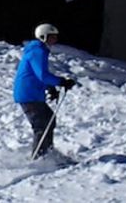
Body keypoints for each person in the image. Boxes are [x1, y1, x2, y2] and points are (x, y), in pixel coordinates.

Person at [13, 23, 78, 160]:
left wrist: (50, 87)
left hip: (32, 93)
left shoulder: (38, 50)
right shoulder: (38, 51)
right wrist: (61, 82)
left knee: (49, 119)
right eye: (52, 37)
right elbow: (42, 75)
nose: (55, 40)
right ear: (43, 37)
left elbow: (38, 74)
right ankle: (39, 158)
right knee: (41, 125)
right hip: (29, 94)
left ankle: (48, 153)